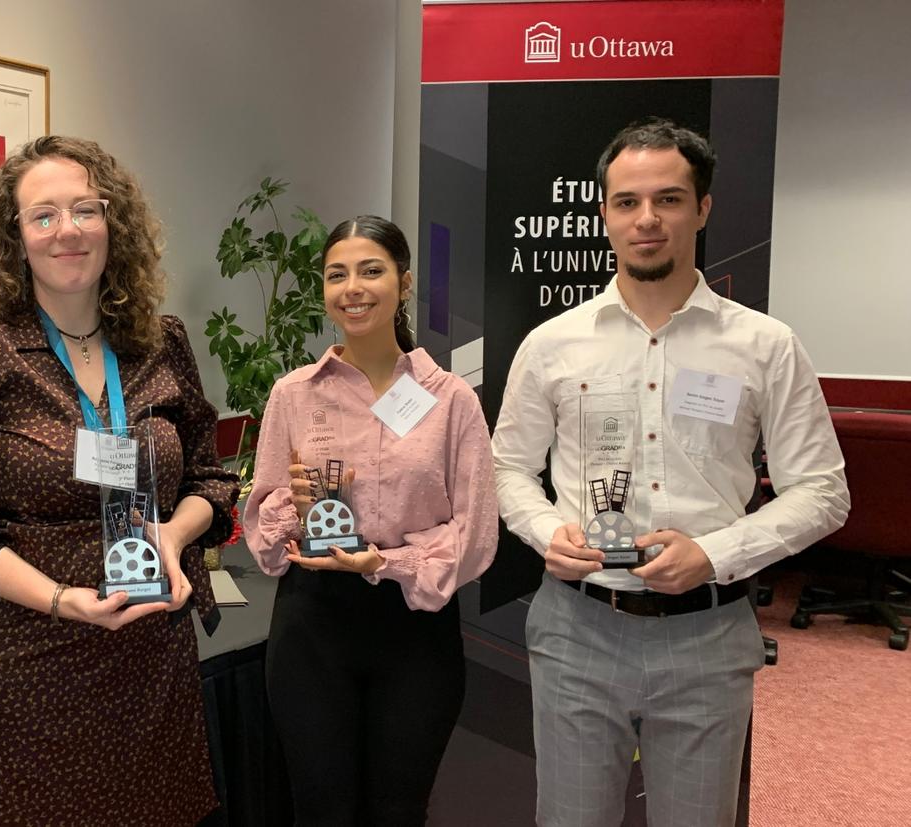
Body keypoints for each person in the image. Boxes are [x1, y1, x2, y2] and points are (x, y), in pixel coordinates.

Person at [491, 118, 849, 827]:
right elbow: (507, 467)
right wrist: (544, 530)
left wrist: (715, 553)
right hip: (577, 629)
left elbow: (824, 490)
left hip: (706, 639)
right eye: (626, 202)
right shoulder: (552, 344)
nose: (646, 219)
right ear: (603, 214)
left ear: (703, 208)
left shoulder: (764, 346)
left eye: (669, 199)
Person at [0, 134, 238, 825]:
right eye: (44, 215)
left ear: (112, 223)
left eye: (85, 209)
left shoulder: (162, 340)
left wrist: (174, 535)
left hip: (154, 660)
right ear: (16, 237)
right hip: (33, 668)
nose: (68, 230)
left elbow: (210, 478)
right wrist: (63, 599)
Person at [242, 215, 498, 825]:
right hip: (312, 623)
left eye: (371, 270)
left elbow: (476, 530)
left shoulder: (451, 398)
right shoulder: (293, 394)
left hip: (412, 629)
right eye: (337, 275)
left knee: (398, 811)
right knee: (320, 810)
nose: (352, 287)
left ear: (404, 284)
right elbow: (264, 526)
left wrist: (388, 561)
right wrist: (293, 511)